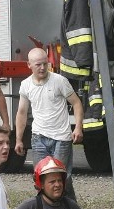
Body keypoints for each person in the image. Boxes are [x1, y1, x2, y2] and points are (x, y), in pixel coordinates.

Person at [14, 47, 83, 198]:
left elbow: (77, 103)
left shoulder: (59, 81)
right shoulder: (26, 85)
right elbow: (21, 113)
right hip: (38, 138)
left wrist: (78, 128)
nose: (43, 68)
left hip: (61, 138)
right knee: (41, 177)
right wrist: (18, 139)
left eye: (45, 63)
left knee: (62, 178)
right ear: (29, 65)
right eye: (38, 64)